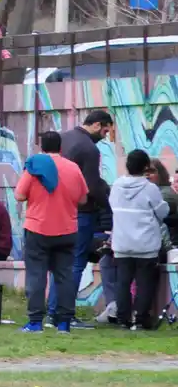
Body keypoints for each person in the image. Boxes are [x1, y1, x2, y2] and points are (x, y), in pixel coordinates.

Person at [14, 130, 89, 333]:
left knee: (36, 276)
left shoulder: (35, 166)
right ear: (61, 147)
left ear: (41, 147)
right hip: (67, 229)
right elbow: (83, 199)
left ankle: (35, 322)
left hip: (38, 228)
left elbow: (19, 195)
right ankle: (63, 323)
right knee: (64, 276)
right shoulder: (73, 168)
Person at [58, 110, 114, 315]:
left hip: (59, 210)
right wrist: (108, 207)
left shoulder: (64, 138)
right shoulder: (89, 149)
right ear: (98, 125)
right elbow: (91, 185)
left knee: (61, 264)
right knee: (76, 263)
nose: (105, 136)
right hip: (82, 212)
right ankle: (65, 314)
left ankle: (55, 313)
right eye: (105, 131)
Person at [110, 148, 169, 330]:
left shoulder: (117, 186)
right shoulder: (150, 188)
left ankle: (123, 319)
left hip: (121, 243)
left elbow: (112, 207)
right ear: (145, 167)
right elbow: (163, 212)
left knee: (123, 282)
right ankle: (141, 319)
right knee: (145, 283)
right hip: (146, 245)